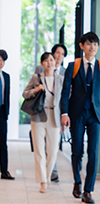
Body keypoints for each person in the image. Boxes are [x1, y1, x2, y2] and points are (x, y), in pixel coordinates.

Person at [60, 31, 100, 203]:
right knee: (77, 151)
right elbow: (65, 91)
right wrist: (64, 113)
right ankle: (77, 181)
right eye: (89, 44)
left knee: (94, 152)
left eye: (95, 44)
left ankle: (88, 190)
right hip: (77, 113)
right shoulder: (73, 65)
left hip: (95, 115)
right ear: (82, 46)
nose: (92, 47)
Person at [23, 52, 64, 193]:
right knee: (39, 151)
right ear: (42, 64)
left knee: (52, 152)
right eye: (46, 61)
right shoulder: (37, 77)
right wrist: (36, 89)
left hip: (55, 117)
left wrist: (65, 118)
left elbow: (65, 101)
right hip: (38, 116)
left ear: (55, 62)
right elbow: (25, 93)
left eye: (51, 60)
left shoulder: (61, 79)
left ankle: (46, 176)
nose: (49, 62)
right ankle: (43, 181)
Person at [35, 44, 67, 183]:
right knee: (41, 149)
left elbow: (65, 97)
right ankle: (45, 178)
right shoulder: (39, 73)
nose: (59, 56)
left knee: (53, 149)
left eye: (62, 54)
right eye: (57, 53)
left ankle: (49, 174)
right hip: (40, 114)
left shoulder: (64, 74)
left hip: (56, 114)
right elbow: (29, 91)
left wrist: (64, 115)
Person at [0, 49, 15, 180]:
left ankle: (4, 171)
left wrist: (7, 113)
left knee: (3, 142)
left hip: (2, 112)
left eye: (2, 60)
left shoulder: (6, 76)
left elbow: (7, 96)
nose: (0, 62)